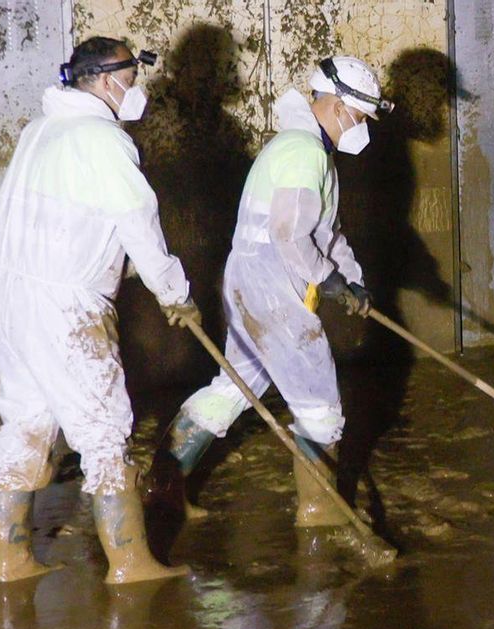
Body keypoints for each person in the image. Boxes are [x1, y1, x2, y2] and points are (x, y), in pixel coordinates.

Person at [0, 37, 196, 584]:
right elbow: (139, 227)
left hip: (11, 292)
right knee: (104, 430)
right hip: (65, 305)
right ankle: (130, 563)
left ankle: (13, 560)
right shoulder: (103, 141)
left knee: (26, 421)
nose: (136, 88)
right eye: (132, 76)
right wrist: (175, 293)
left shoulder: (39, 131)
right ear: (106, 81)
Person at [150, 56, 384, 527]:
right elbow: (290, 234)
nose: (362, 126)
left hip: (253, 278)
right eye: (360, 115)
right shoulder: (304, 152)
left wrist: (352, 278)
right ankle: (320, 515)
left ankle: (163, 490)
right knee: (319, 403)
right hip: (272, 282)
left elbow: (327, 234)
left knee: (235, 386)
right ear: (337, 106)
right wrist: (327, 279)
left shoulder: (309, 152)